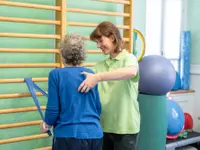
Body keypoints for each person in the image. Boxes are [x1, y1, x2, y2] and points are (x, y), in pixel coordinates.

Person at [78, 21, 140, 150]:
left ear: (112, 37)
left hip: (125, 128)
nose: (98, 46)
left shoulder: (129, 58)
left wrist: (98, 77)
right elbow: (84, 79)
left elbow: (130, 72)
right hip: (103, 126)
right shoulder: (100, 66)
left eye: (100, 41)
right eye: (97, 43)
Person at [40, 33, 103, 150]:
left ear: (62, 54)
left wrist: (46, 125)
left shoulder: (55, 75)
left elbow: (53, 110)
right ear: (82, 54)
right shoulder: (90, 74)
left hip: (68, 136)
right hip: (94, 134)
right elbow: (98, 108)